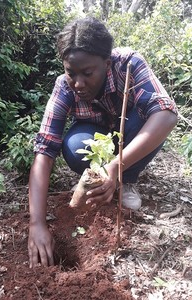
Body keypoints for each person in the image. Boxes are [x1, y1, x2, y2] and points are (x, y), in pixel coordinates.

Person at [28, 17, 177, 268]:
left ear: (106, 64)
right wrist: (37, 223)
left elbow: (167, 114)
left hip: (129, 130)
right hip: (96, 134)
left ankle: (126, 179)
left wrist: (115, 167)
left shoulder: (128, 64)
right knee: (74, 145)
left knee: (150, 120)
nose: (78, 83)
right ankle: (106, 181)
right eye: (70, 73)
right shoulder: (64, 87)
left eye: (87, 73)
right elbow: (44, 151)